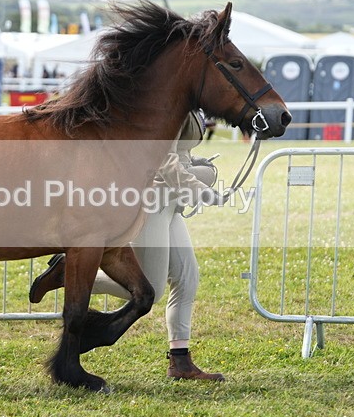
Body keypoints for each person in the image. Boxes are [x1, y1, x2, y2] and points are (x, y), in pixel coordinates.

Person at [29, 109, 226, 381]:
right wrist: (200, 187)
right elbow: (162, 160)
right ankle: (68, 272)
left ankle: (180, 361)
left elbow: (181, 152)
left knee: (187, 277)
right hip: (152, 199)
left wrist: (201, 168)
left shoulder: (190, 98)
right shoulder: (167, 96)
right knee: (151, 289)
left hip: (171, 200)